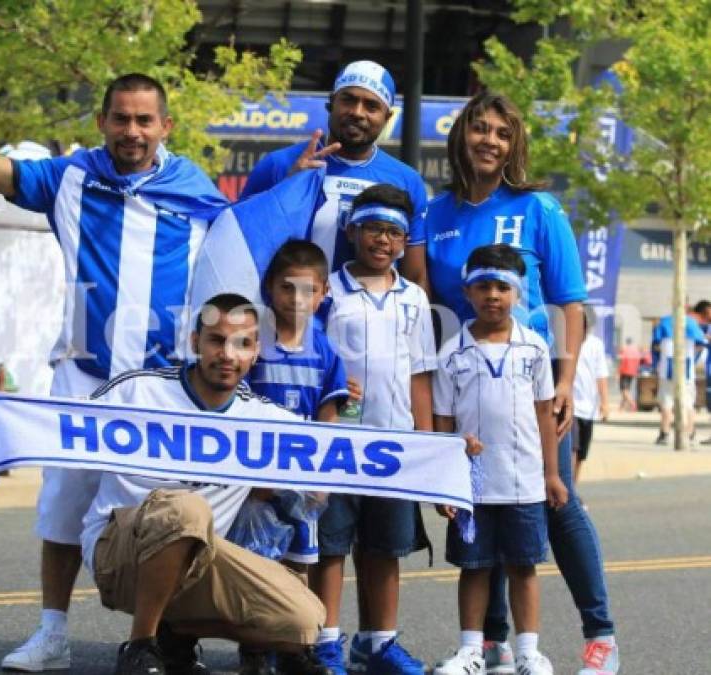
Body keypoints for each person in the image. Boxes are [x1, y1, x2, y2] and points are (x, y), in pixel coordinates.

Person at [0, 59, 230, 671]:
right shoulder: (69, 176)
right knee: (62, 508)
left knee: (171, 515)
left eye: (144, 120)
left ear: (166, 126)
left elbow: (245, 245)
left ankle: (167, 639)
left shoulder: (199, 189)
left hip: (162, 389)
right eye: (120, 119)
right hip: (82, 378)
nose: (132, 130)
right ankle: (51, 633)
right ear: (101, 121)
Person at [0, 293, 331, 675]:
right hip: (120, 552)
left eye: (242, 344)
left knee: (304, 621)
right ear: (194, 343)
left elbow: (327, 470)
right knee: (186, 508)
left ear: (256, 351)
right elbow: (61, 424)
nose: (228, 354)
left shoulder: (264, 418)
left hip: (198, 562)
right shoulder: (138, 391)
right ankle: (141, 647)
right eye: (216, 340)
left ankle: (175, 633)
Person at [425, 92, 619, 675]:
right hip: (465, 386)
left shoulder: (540, 209)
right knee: (484, 510)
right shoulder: (434, 214)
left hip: (533, 387)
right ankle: (494, 644)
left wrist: (564, 381)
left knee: (555, 505)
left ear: (514, 146)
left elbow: (570, 304)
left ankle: (601, 636)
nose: (489, 140)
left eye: (502, 134)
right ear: (462, 136)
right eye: (480, 129)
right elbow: (427, 303)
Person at [314, 184, 436, 675]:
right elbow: (314, 361)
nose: (381, 240)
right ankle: (323, 641)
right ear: (351, 231)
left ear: (405, 241)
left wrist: (426, 443)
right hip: (339, 442)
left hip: (395, 443)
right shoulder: (328, 292)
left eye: (392, 232)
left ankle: (378, 643)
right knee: (330, 545)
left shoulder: (416, 299)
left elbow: (422, 372)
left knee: (385, 546)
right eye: (372, 229)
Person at [433, 244, 567, 675]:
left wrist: (551, 473)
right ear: (467, 292)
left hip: (524, 480)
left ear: (517, 292)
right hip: (471, 484)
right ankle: (472, 650)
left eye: (502, 287)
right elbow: (442, 419)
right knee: (474, 568)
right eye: (483, 286)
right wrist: (444, 480)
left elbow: (545, 412)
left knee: (523, 566)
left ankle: (528, 651)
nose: (493, 295)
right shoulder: (451, 353)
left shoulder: (533, 349)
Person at [239, 240, 349, 674]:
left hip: (302, 480)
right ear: (270, 289)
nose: (297, 299)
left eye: (308, 291)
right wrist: (250, 477)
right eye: (288, 288)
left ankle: (292, 647)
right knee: (256, 564)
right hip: (259, 480)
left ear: (323, 293)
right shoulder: (255, 345)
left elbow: (328, 417)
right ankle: (253, 648)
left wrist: (321, 478)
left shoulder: (325, 351)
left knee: (298, 567)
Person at [240, 61, 429, 290]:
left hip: (366, 320)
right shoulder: (279, 164)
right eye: (348, 99)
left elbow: (415, 276)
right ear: (331, 103)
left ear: (387, 117)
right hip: (293, 315)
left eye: (371, 106)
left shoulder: (407, 180)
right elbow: (241, 243)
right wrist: (287, 191)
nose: (357, 112)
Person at [651, 308, 708, 446]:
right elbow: (702, 344)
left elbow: (655, 345)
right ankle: (690, 433)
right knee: (688, 402)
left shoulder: (664, 322)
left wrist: (658, 360)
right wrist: (693, 356)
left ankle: (664, 433)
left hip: (667, 367)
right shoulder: (692, 324)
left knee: (666, 402)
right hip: (686, 367)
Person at [572, 312, 609, 484]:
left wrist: (605, 403)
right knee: (572, 450)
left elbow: (601, 375)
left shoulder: (596, 345)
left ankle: (574, 488)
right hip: (571, 408)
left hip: (589, 408)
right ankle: (568, 493)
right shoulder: (565, 342)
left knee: (581, 455)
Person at [616, 338, 640, 411]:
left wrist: (618, 373)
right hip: (632, 372)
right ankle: (621, 407)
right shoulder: (635, 350)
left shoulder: (625, 350)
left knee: (624, 391)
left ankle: (633, 404)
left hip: (625, 372)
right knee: (626, 390)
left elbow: (622, 362)